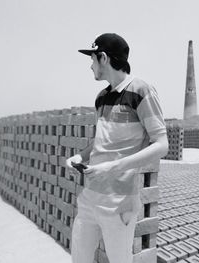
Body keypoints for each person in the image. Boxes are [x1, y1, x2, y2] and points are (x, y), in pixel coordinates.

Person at [67, 33, 168, 263]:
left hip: (119, 203)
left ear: (103, 58)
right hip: (89, 198)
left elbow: (162, 145)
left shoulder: (141, 91)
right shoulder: (101, 98)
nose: (90, 66)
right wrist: (79, 156)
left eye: (92, 59)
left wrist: (113, 167)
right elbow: (101, 140)